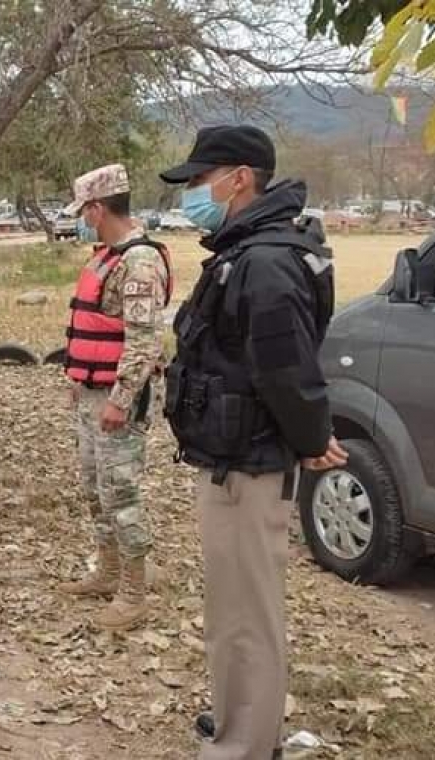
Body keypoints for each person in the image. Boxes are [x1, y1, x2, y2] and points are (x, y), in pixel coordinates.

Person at [159, 125, 348, 760]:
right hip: (232, 461)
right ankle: (239, 720)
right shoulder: (248, 250)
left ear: (239, 178)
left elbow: (285, 369)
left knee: (248, 617)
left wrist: (312, 435)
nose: (192, 193)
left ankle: (246, 743)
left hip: (251, 465)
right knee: (231, 610)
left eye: (198, 180)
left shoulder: (266, 261)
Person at [58, 164, 173, 631]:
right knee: (94, 488)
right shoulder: (106, 256)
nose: (82, 218)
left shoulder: (139, 262)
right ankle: (106, 572)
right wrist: (79, 383)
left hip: (117, 398)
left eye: (84, 209)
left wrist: (120, 400)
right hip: (92, 392)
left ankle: (133, 592)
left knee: (121, 493)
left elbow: (144, 341)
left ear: (98, 208)